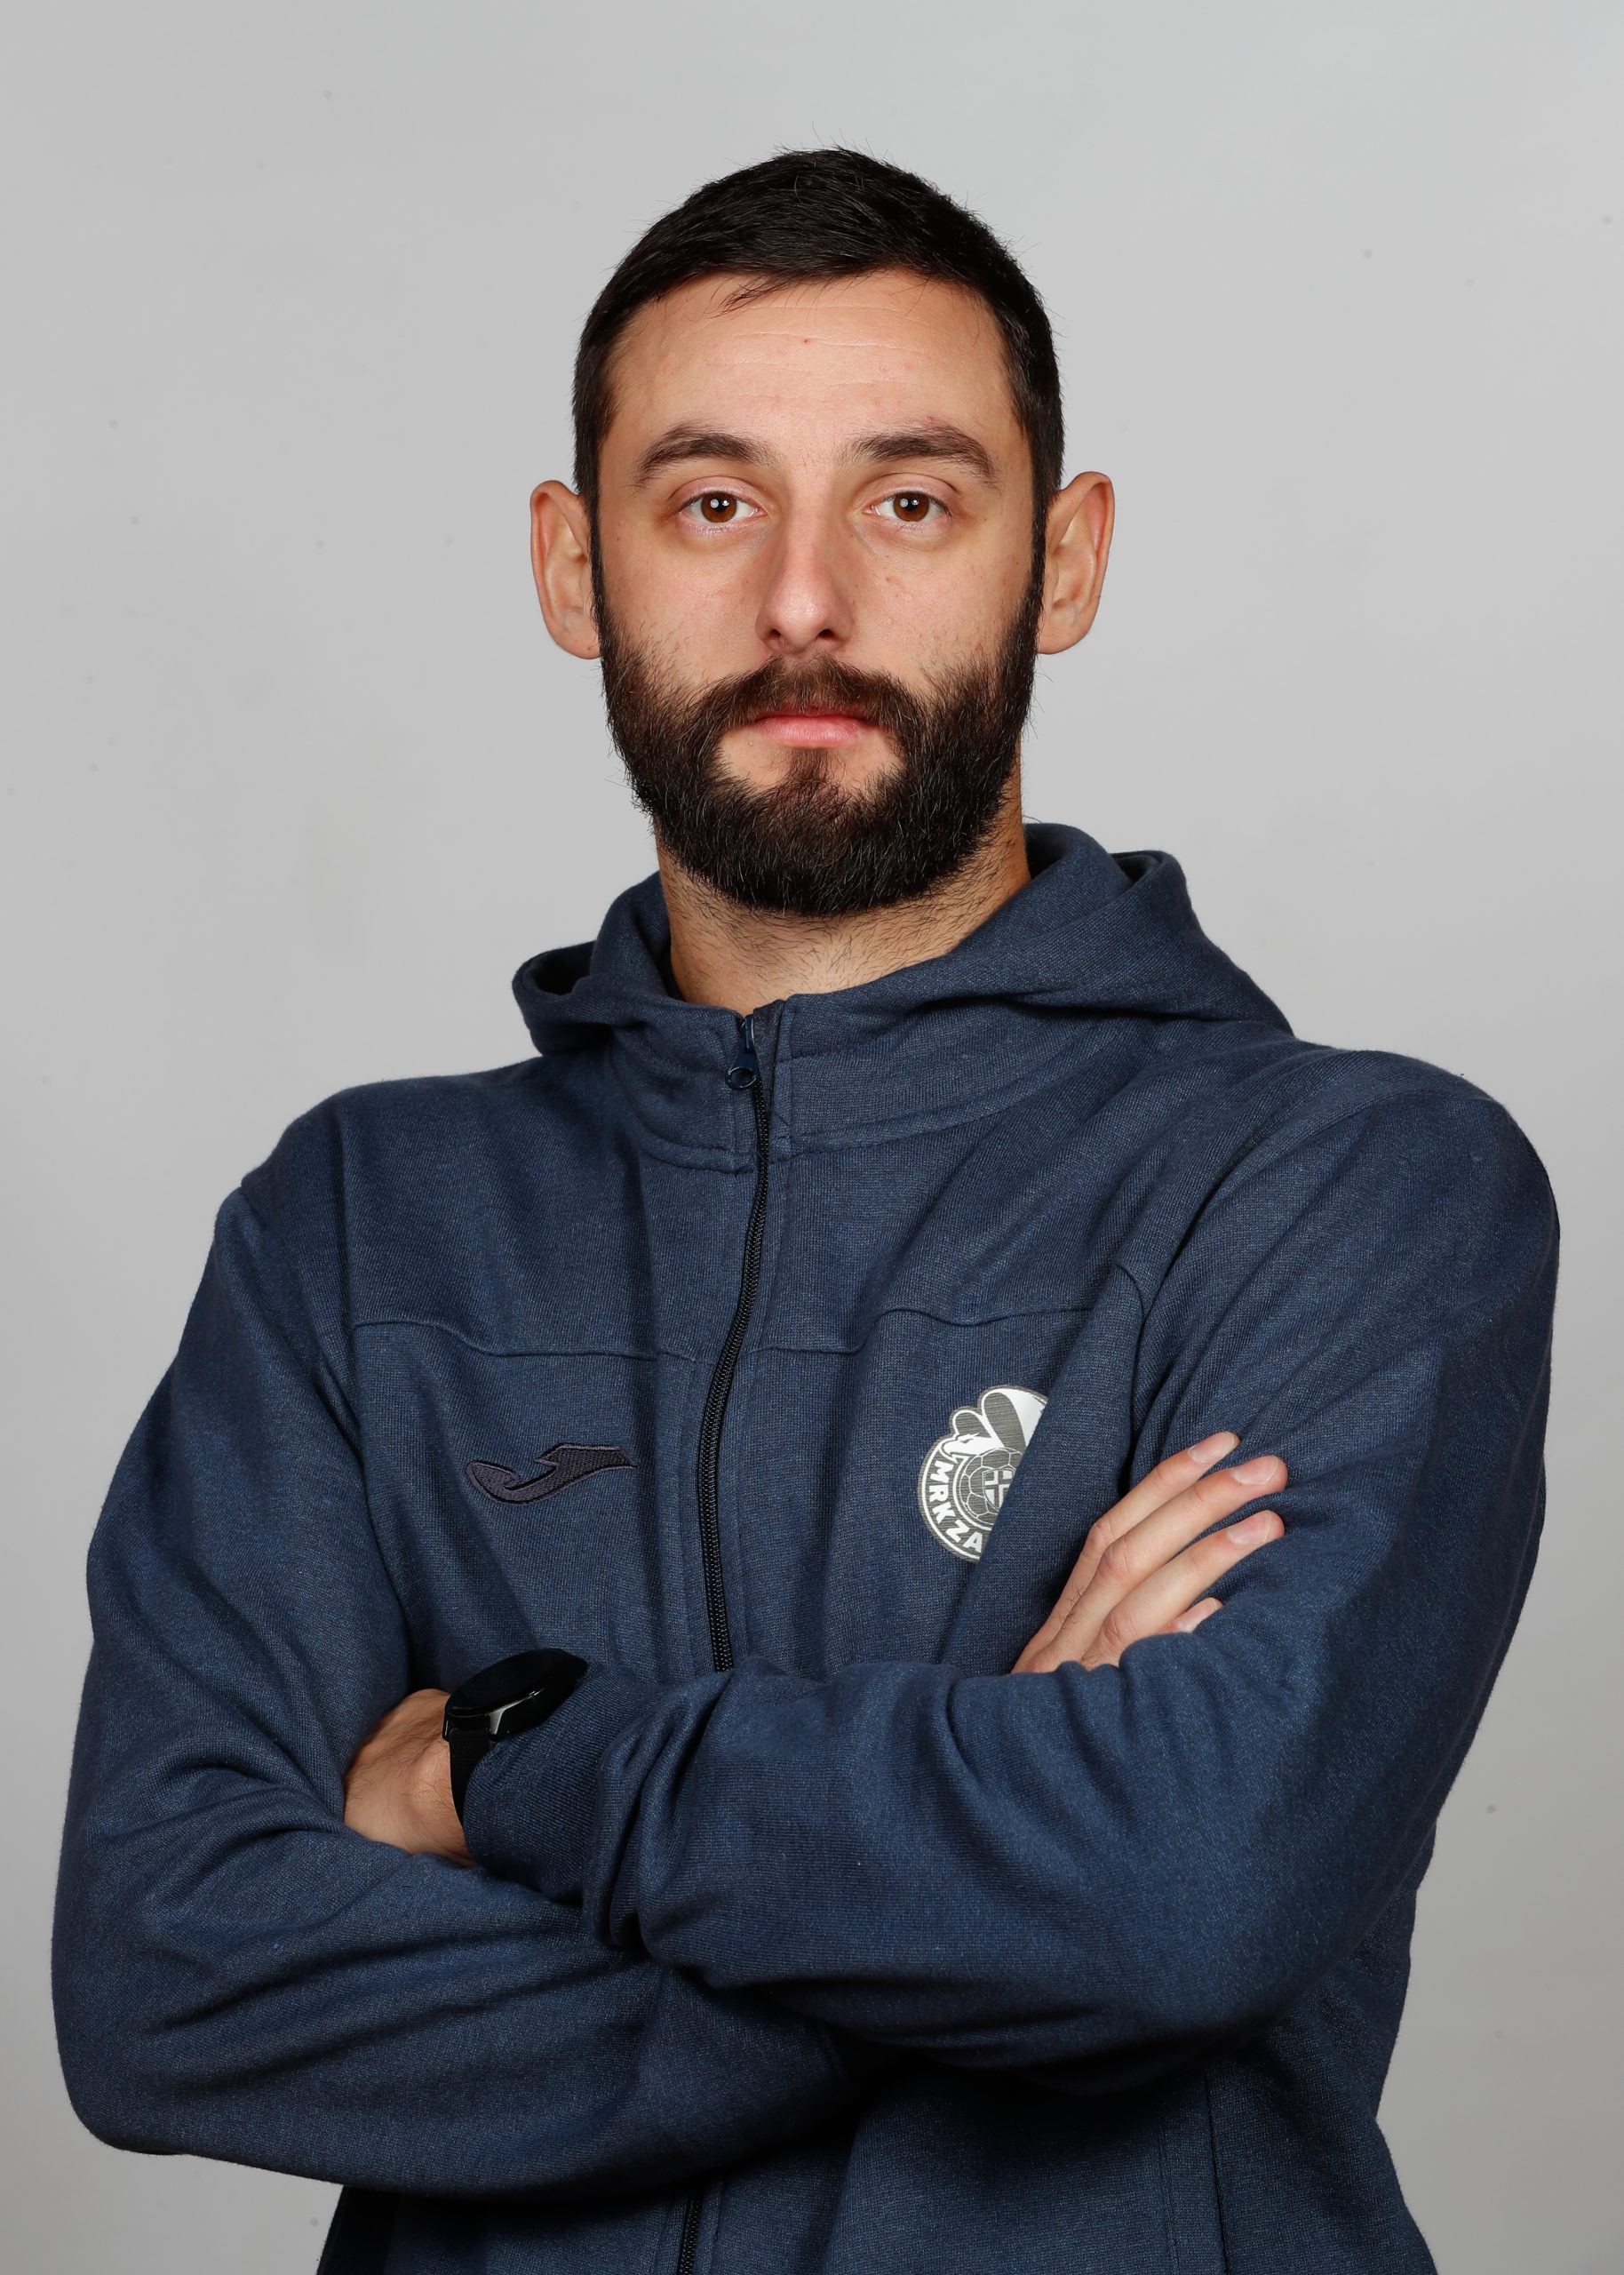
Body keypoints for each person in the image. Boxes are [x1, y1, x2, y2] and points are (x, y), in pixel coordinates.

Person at [53, 148, 1558, 2275]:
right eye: (709, 502)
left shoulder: (1346, 1188)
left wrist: (513, 1756)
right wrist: (986, 1925)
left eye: (908, 499)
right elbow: (165, 1974)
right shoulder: (356, 1227)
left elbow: (1185, 1888)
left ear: (1061, 557)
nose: (801, 605)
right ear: (573, 566)